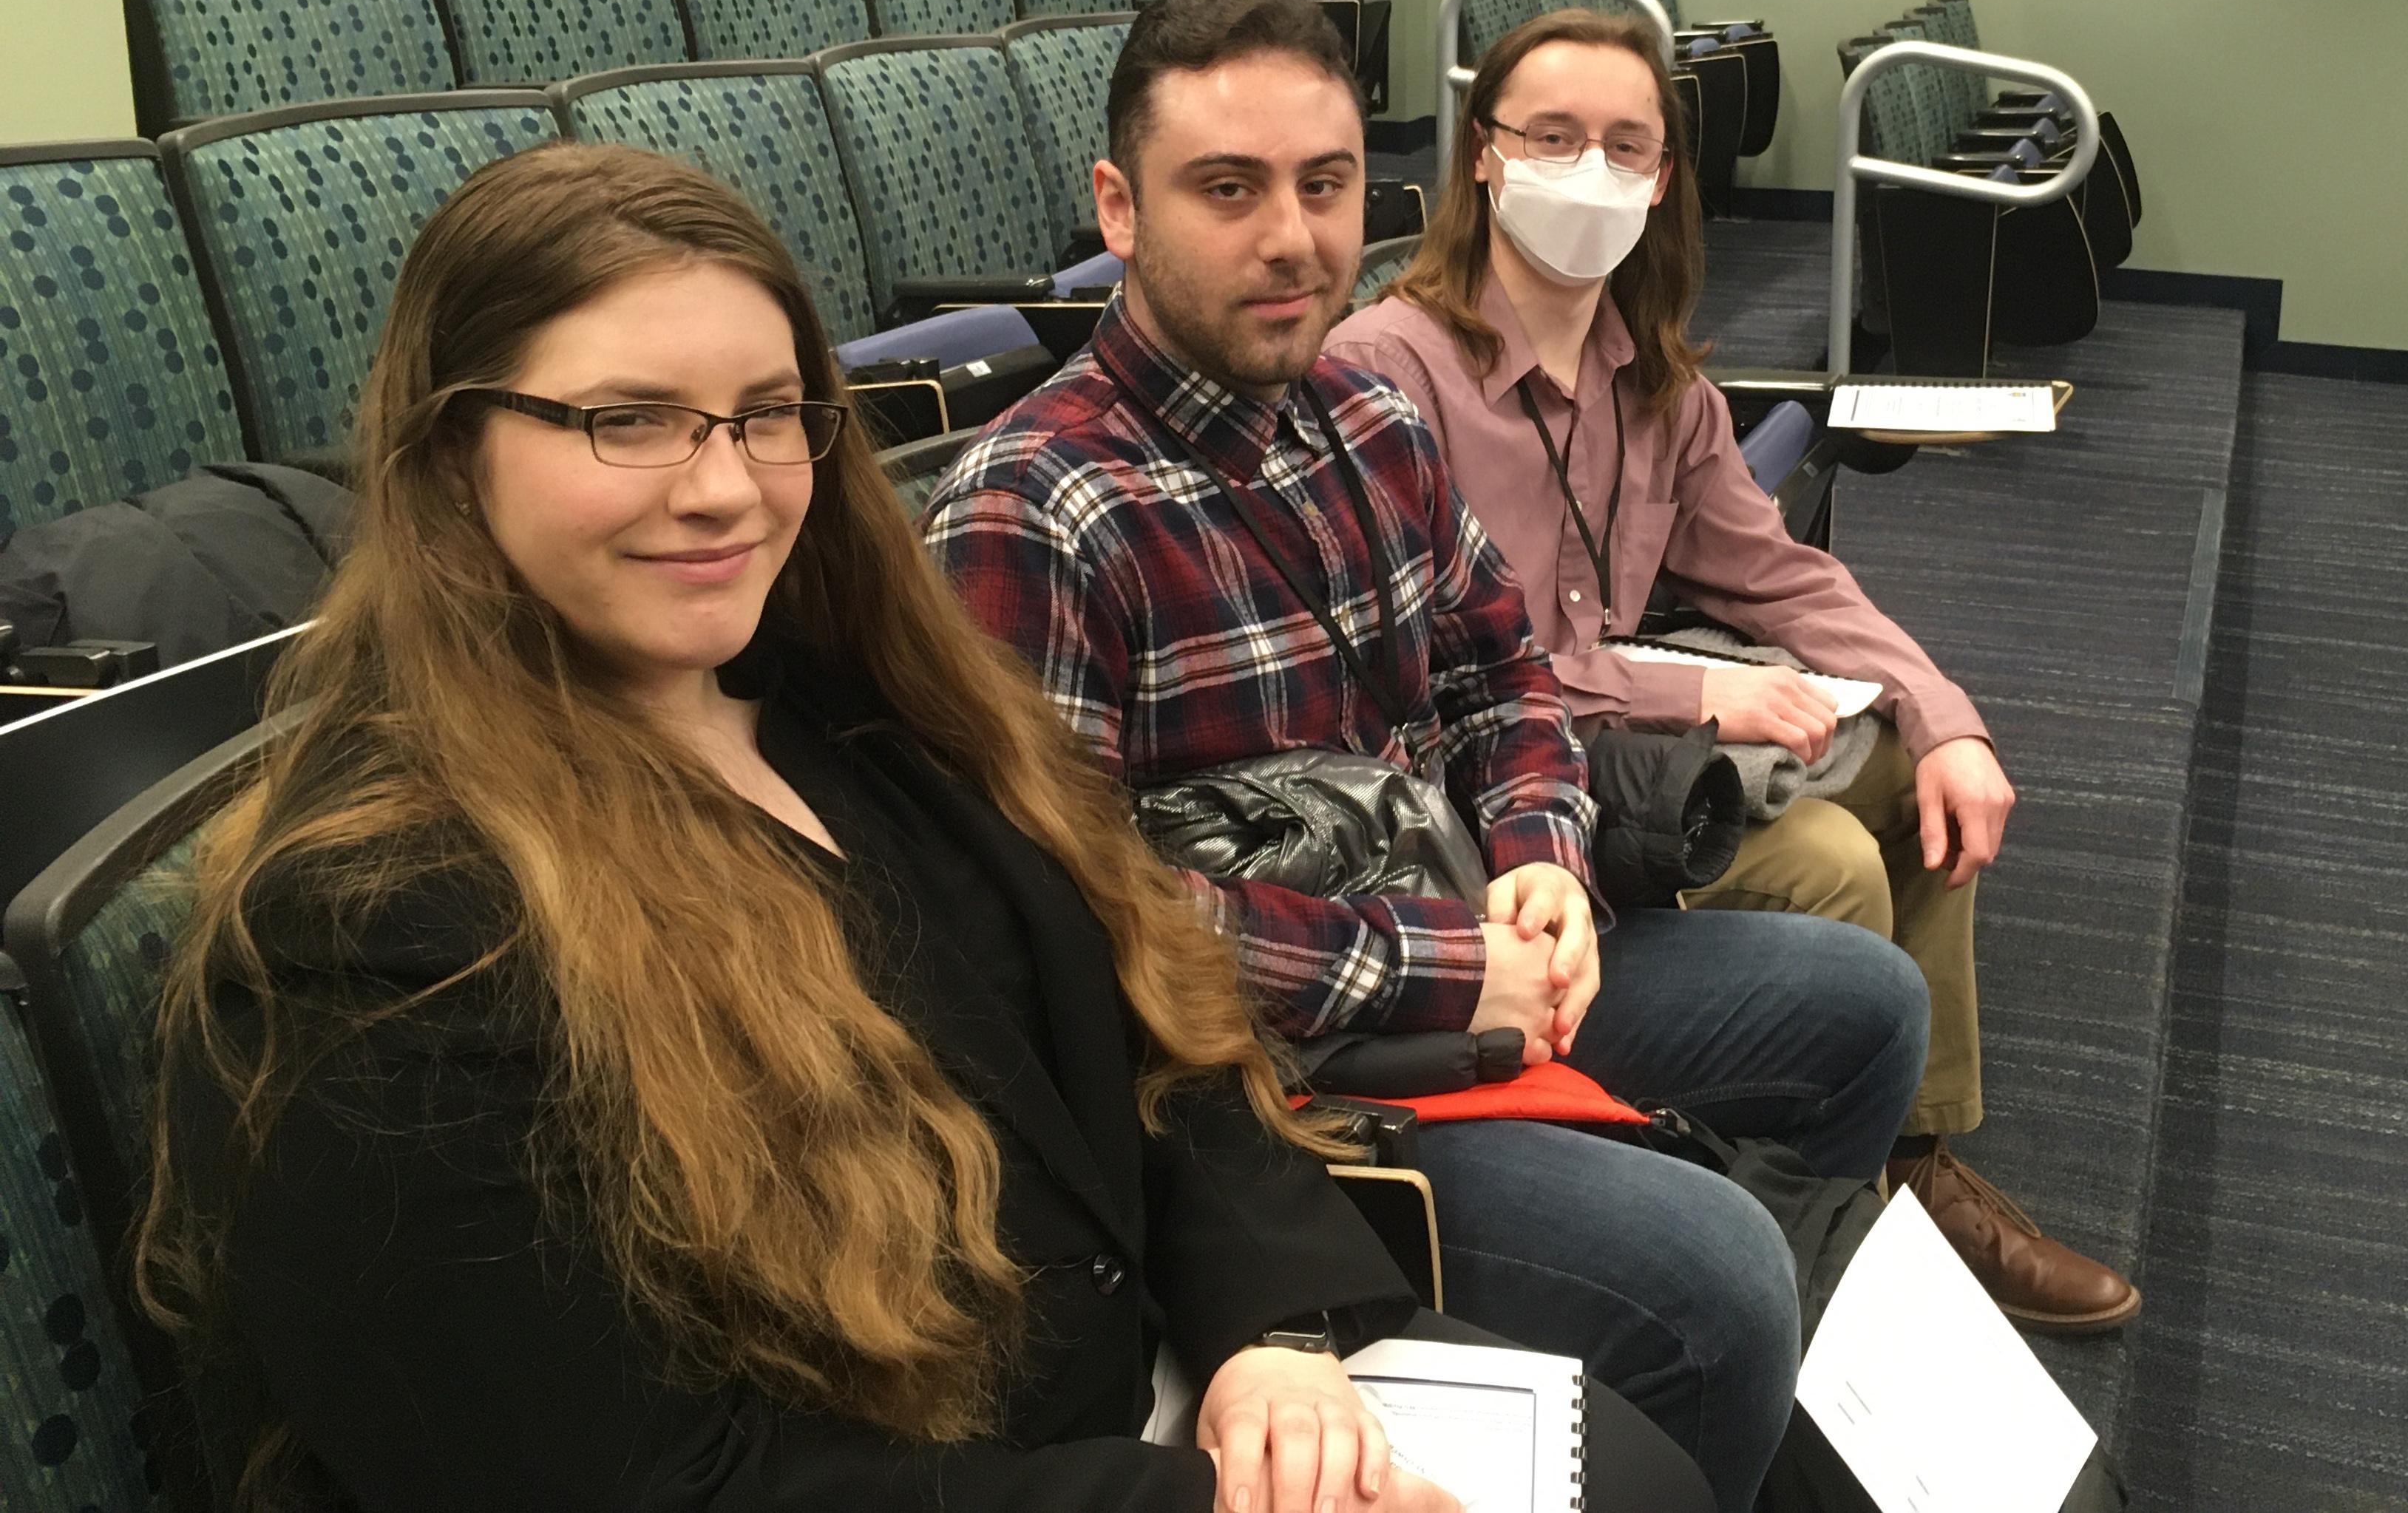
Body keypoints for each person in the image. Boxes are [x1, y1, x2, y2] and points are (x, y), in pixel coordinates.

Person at [138, 143, 1717, 1513]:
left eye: (767, 415)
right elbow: (643, 1484)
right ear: (448, 453)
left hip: (1140, 1397)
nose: (725, 487)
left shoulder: (862, 724)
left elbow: (1154, 1028)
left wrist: (1274, 1335)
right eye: (630, 420)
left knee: (1646, 1466)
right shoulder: (374, 928)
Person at [921, 0, 1933, 1513]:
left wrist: (1540, 860)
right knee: (1712, 1284)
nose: (1291, 238)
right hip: (1267, 1095)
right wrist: (1443, 966)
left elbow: (1505, 678)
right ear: (1118, 209)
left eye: (1325, 187)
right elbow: (1069, 921)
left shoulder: (1363, 419)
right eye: (1229, 189)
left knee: (1864, 1005)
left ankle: (1770, 1394)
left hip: (1468, 948)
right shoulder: (1037, 511)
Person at [1326, 6, 2140, 1336]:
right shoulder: (1386, 372)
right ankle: (1816, 1197)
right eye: (1552, 137)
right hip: (1478, 789)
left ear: (1659, 179)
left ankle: (1909, 1159)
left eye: (1624, 146)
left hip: (1602, 747)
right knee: (1829, 859)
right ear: (1483, 158)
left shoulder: (1654, 381)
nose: (1587, 172)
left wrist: (1946, 721)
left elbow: (1783, 578)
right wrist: (1687, 694)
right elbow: (1428, 673)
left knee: (1906, 780)